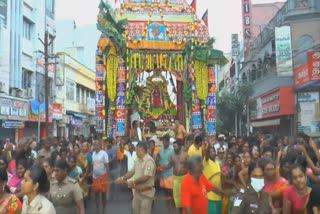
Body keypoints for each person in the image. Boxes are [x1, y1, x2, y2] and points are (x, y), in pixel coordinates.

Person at [115, 141, 156, 214]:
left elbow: (146, 177)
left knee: (144, 212)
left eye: (136, 150)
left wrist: (133, 182)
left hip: (146, 193)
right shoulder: (138, 160)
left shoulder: (149, 161)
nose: (135, 152)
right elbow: (131, 172)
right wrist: (122, 178)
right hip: (137, 192)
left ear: (141, 150)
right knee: (135, 211)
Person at [158, 140, 188, 212]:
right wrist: (161, 168)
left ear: (180, 146)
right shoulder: (173, 156)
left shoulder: (185, 155)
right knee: (177, 199)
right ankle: (180, 211)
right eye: (173, 147)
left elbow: (190, 165)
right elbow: (169, 166)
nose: (174, 148)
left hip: (184, 178)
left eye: (175, 146)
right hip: (176, 179)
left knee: (185, 197)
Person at [203, 145, 222, 214]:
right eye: (210, 151)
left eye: (213, 151)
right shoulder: (206, 162)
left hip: (218, 196)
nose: (212, 153)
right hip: (210, 196)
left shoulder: (217, 163)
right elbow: (207, 155)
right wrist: (209, 144)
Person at [92, 140, 109, 214]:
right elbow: (93, 165)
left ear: (100, 145)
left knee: (103, 194)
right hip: (95, 177)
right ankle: (97, 209)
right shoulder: (93, 154)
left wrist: (107, 176)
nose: (96, 146)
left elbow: (107, 165)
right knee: (96, 195)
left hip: (103, 177)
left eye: (97, 145)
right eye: (95, 145)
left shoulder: (104, 153)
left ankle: (104, 209)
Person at [158, 135, 175, 213]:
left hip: (169, 173)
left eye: (165, 141)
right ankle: (169, 206)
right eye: (163, 141)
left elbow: (171, 164)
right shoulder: (161, 149)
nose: (164, 143)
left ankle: (172, 207)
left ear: (168, 142)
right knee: (165, 191)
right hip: (163, 174)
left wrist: (160, 168)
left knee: (170, 191)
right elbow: (160, 159)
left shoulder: (172, 150)